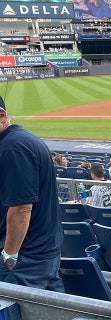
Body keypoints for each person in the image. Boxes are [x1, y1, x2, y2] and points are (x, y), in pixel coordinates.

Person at [0, 96, 64, 292]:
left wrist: (9, 256)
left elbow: (21, 208)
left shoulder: (13, 147)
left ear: (1, 116)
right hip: (39, 252)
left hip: (26, 258)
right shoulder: (19, 140)